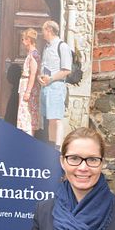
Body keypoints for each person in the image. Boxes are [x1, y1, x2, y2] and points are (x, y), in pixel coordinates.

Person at [38, 20, 72, 149]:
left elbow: (67, 70)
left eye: (43, 30)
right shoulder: (47, 47)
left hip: (56, 86)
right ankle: (51, 146)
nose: (42, 33)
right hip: (46, 87)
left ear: (49, 30)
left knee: (57, 118)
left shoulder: (62, 46)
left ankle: (58, 148)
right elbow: (44, 67)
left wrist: (50, 78)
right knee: (50, 119)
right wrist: (39, 78)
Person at [16, 28, 41, 136]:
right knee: (24, 112)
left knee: (28, 112)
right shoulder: (30, 53)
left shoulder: (34, 54)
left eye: (23, 39)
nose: (22, 41)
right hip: (24, 84)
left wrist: (28, 92)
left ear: (28, 40)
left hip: (28, 85)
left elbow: (33, 74)